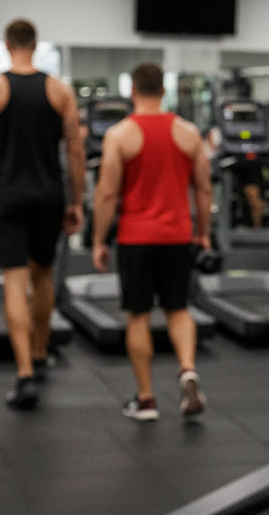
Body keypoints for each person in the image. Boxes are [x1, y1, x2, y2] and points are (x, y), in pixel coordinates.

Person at [0, 19, 85, 409]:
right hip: (48, 195)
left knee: (15, 281)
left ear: (7, 44)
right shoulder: (59, 89)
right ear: (35, 44)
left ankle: (26, 372)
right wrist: (77, 201)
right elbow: (76, 152)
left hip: (8, 196)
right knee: (43, 274)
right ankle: (41, 351)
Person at [91, 63, 213, 421]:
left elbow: (107, 193)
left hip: (136, 237)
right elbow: (204, 189)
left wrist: (98, 240)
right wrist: (203, 232)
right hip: (177, 235)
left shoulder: (120, 134)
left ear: (132, 90)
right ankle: (187, 369)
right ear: (164, 91)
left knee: (138, 317)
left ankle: (146, 400)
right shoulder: (189, 133)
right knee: (178, 309)